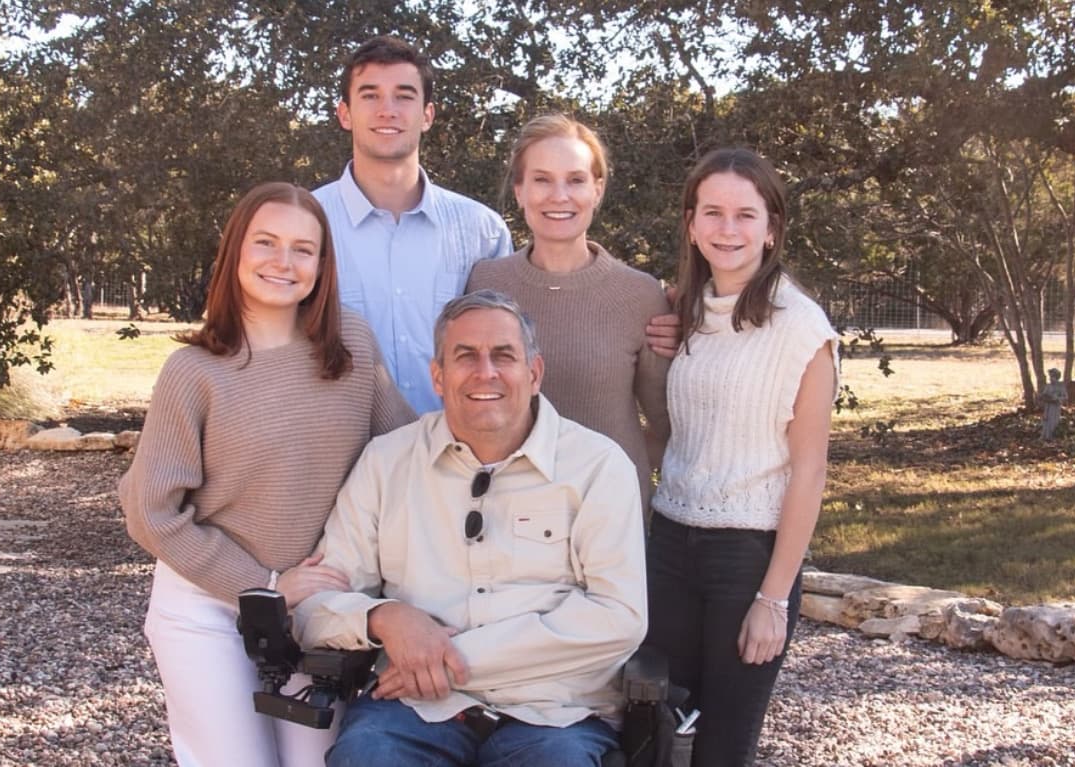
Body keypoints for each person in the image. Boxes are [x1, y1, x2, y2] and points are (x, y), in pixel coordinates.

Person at [119, 182, 416, 767]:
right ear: (235, 252)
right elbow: (150, 512)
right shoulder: (194, 371)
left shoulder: (350, 347)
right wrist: (266, 584)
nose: (284, 262)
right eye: (266, 242)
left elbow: (406, 454)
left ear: (323, 264)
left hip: (318, 606)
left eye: (304, 249)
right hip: (208, 606)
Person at [292, 289, 648, 767]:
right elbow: (313, 607)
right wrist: (384, 618)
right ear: (437, 376)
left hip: (555, 714)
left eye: (504, 356)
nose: (486, 373)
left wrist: (449, 658)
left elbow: (619, 616)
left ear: (534, 373)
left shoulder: (597, 467)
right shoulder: (387, 463)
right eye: (466, 357)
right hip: (413, 711)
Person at [644, 148, 839, 766]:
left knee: (722, 748)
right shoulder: (686, 314)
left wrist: (772, 599)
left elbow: (809, 471)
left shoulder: (802, 329)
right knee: (656, 729)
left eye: (746, 215)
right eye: (714, 213)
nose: (729, 230)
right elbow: (675, 429)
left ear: (772, 227)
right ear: (692, 223)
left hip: (746, 560)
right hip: (668, 544)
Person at [466, 114, 670, 514]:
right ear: (520, 191)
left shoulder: (640, 294)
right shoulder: (485, 284)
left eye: (576, 180)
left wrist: (612, 477)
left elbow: (666, 427)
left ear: (597, 190)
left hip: (609, 521)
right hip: (504, 517)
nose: (559, 195)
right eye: (541, 180)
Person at [312, 35, 512, 413]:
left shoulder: (482, 231)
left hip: (455, 455)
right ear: (344, 114)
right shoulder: (308, 224)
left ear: (427, 115)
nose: (388, 110)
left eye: (404, 96)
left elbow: (508, 346)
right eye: (370, 95)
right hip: (343, 457)